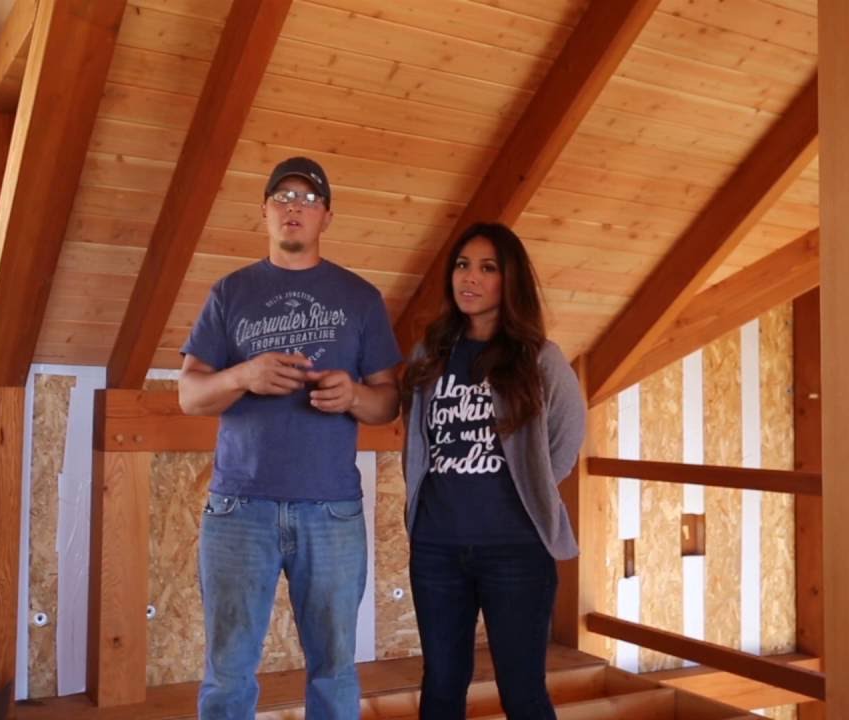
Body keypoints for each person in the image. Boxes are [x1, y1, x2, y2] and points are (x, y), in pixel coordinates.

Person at [179, 157, 403, 719]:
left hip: (331, 511)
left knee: (333, 670)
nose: (293, 207)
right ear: (265, 213)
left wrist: (352, 395)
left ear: (327, 216)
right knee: (228, 672)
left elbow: (388, 401)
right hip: (238, 509)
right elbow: (189, 395)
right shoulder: (230, 292)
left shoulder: (360, 298)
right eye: (282, 196)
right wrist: (242, 376)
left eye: (307, 198)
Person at [401, 222, 586, 719]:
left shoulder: (539, 360)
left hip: (517, 552)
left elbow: (565, 442)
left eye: (487, 268)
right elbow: (418, 443)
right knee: (441, 685)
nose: (470, 278)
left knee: (522, 692)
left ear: (510, 282)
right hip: (437, 550)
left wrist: (534, 484)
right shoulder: (428, 356)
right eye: (463, 265)